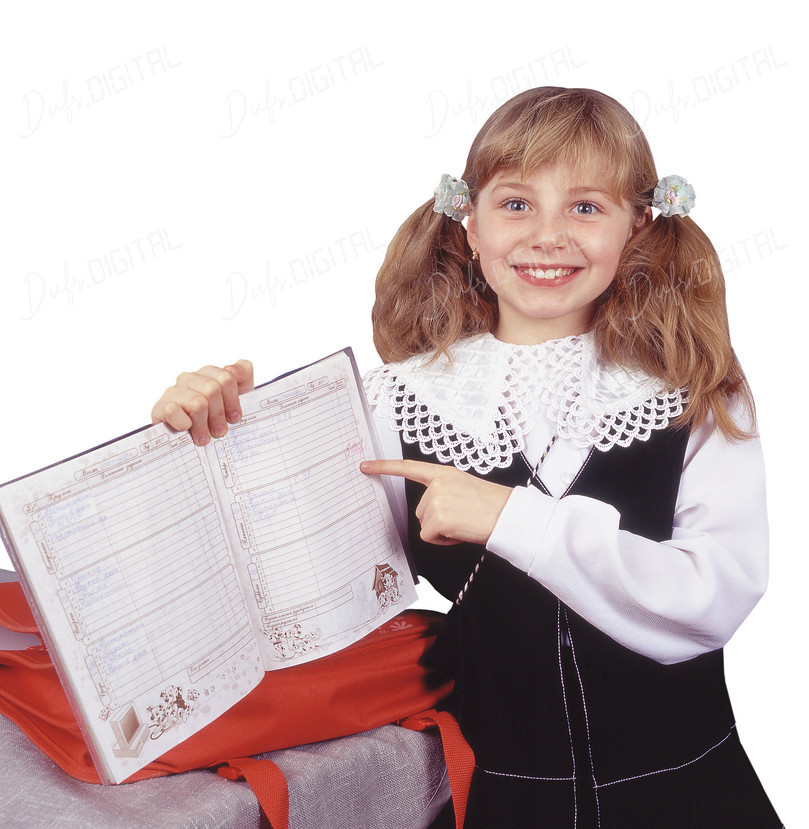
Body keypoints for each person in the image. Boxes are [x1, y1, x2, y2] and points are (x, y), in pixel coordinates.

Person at [151, 87, 781, 827]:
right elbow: (302, 596)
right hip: (496, 803)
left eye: (585, 207)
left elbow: (710, 598)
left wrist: (512, 516)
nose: (547, 235)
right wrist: (212, 440)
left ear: (637, 227)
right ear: (470, 224)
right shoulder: (391, 401)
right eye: (516, 204)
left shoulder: (698, 391)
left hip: (698, 797)